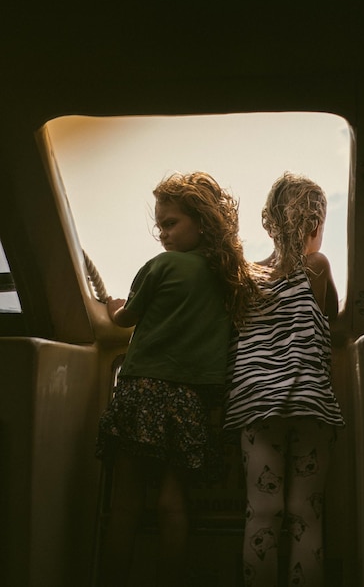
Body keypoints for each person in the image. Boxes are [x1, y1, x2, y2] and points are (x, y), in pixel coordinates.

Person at [96, 171, 258, 587]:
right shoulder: (229, 279)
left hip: (143, 391)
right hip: (190, 402)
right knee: (174, 502)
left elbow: (123, 319)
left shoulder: (162, 265)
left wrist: (114, 306)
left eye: (170, 223)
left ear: (201, 222)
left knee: (125, 503)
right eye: (160, 226)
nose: (162, 234)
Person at [224, 172, 345, 587]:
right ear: (315, 225)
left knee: (261, 511)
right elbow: (335, 322)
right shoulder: (317, 266)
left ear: (269, 224)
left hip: (257, 407)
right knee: (304, 512)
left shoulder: (249, 278)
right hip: (308, 403)